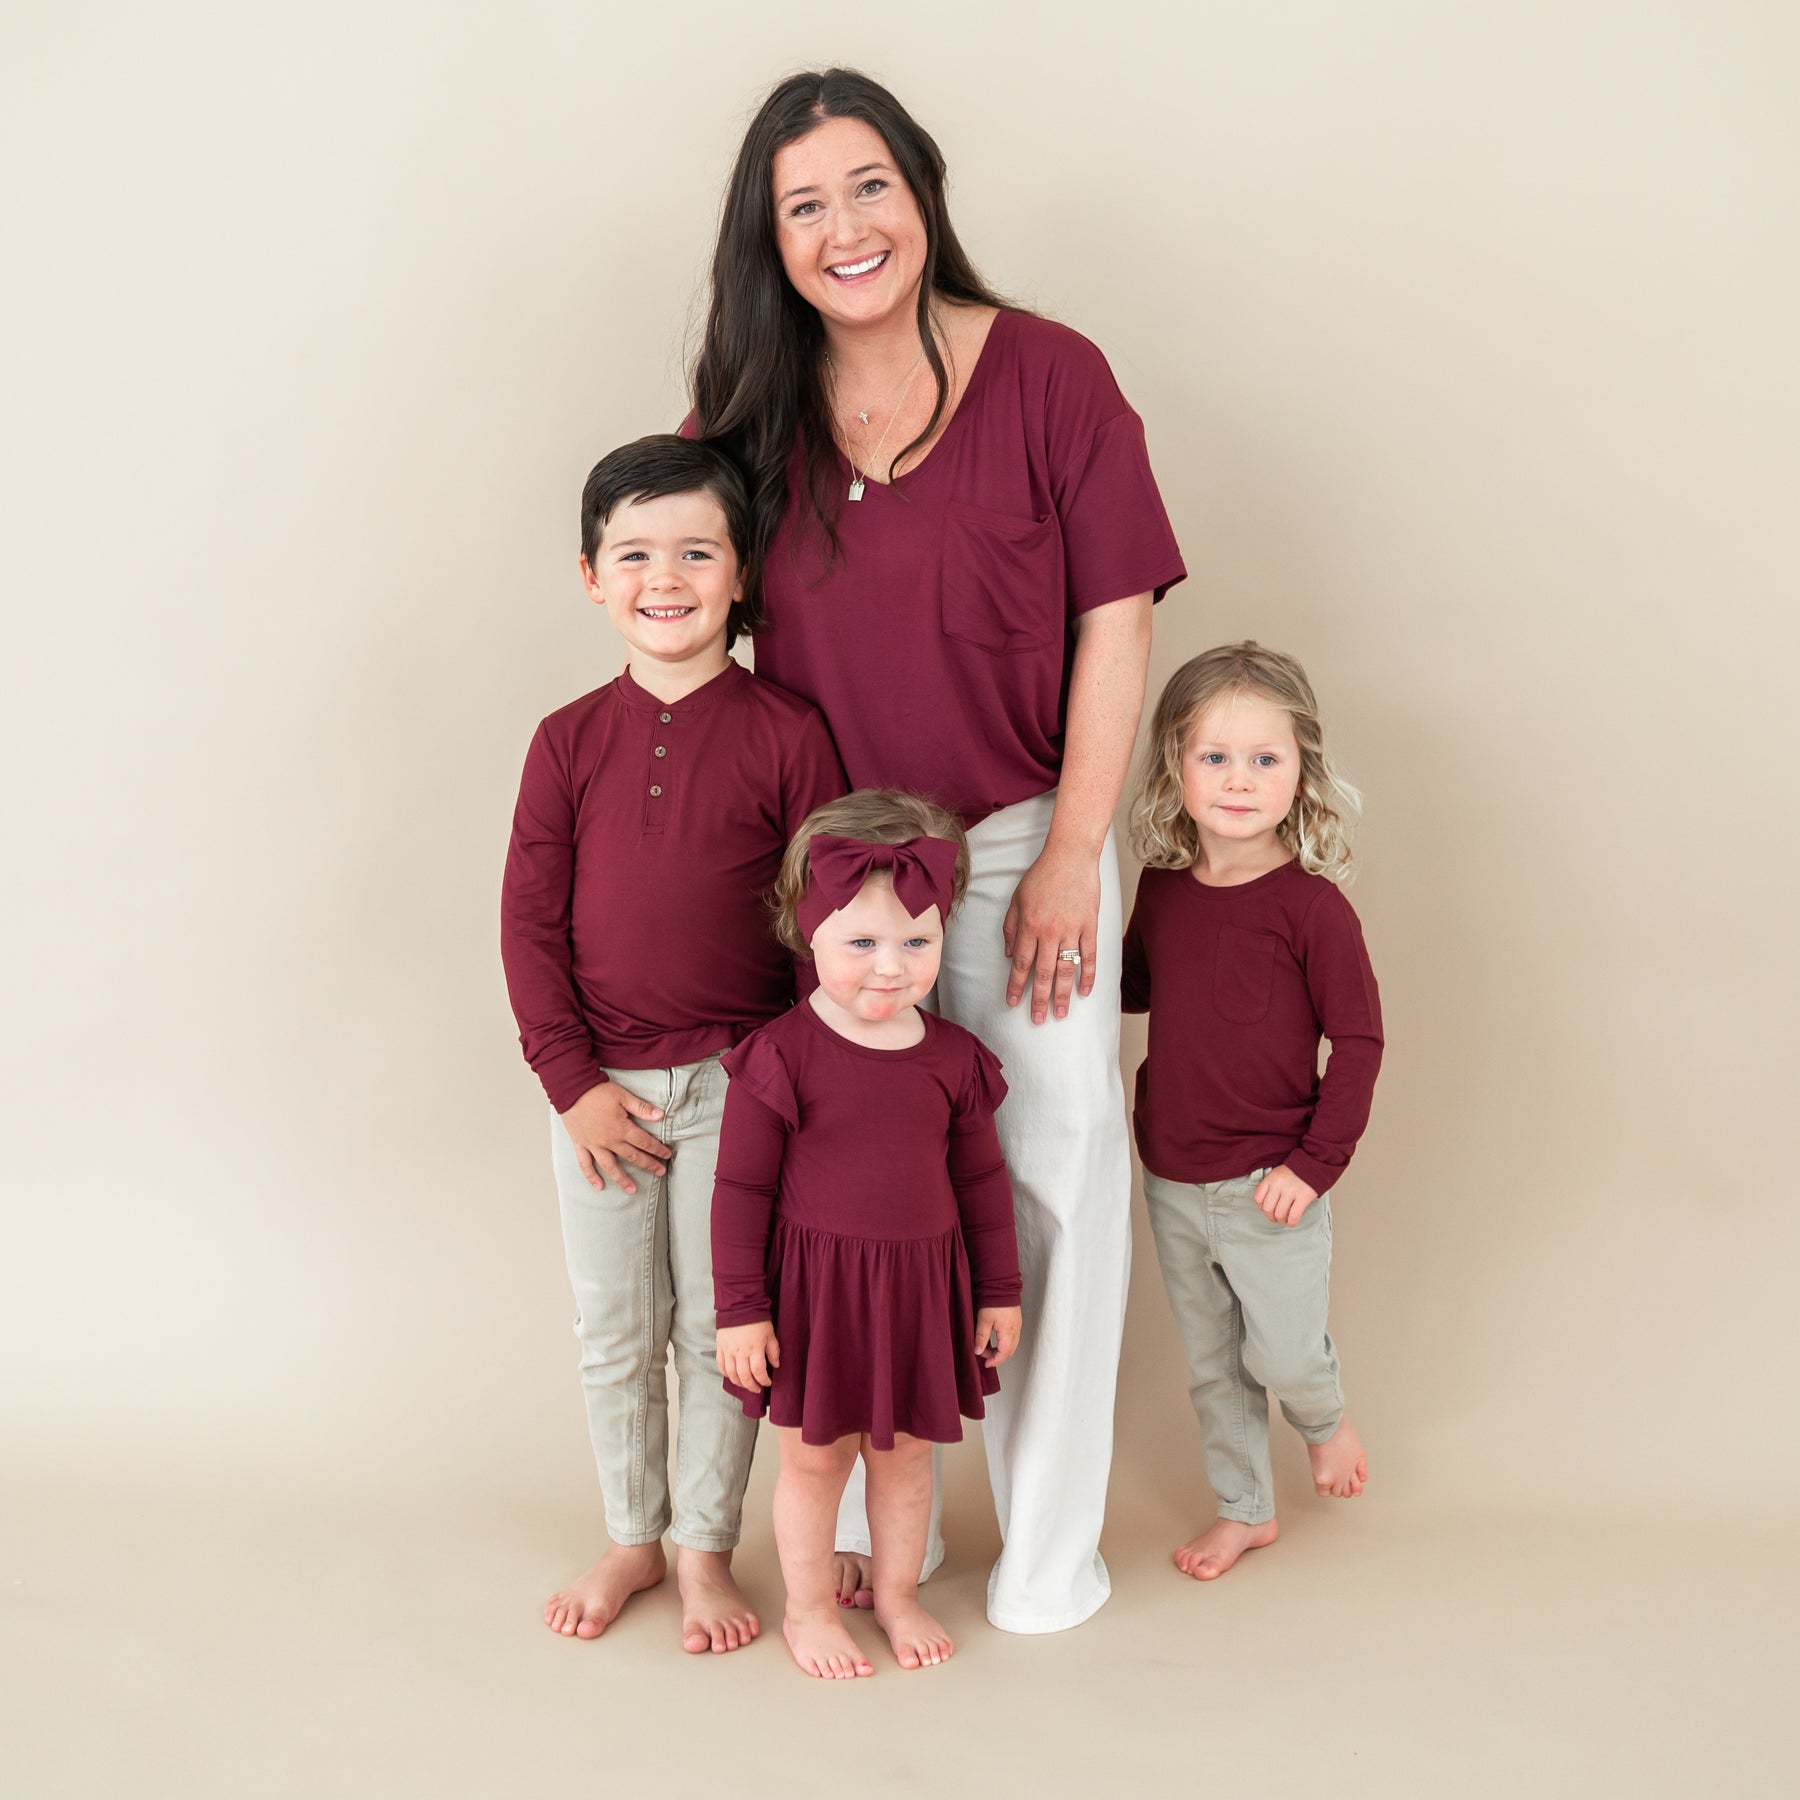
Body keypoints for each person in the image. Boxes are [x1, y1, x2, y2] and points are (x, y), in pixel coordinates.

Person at [689, 67, 1185, 1634]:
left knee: (1055, 1181)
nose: (847, 228)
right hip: (841, 885)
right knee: (845, 1196)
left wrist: (1071, 855)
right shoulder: (749, 422)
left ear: (924, 192)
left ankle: (1043, 1562)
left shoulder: (1051, 376)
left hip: (1033, 833)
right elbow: (688, 615)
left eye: (870, 186)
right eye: (806, 205)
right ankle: (845, 1525)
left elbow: (1121, 620)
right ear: (770, 245)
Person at [500, 434, 845, 1650]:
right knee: (616, 1328)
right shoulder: (566, 742)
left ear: (743, 575)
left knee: (720, 1329)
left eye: (697, 551)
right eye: (634, 552)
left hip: (742, 1085)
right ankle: (631, 1538)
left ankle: (705, 1552)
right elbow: (530, 929)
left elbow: (826, 932)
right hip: (600, 1095)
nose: (666, 576)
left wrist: (794, 1085)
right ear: (591, 576)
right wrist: (572, 1086)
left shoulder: (790, 733)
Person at [712, 791, 1023, 1678]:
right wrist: (742, 1312)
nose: (890, 968)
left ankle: (896, 1592)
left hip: (922, 1294)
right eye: (862, 943)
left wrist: (998, 1290)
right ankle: (809, 1609)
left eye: (916, 943)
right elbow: (739, 1193)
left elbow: (980, 1183)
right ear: (808, 933)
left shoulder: (955, 1058)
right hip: (817, 1299)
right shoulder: (779, 1055)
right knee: (814, 1464)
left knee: (909, 1461)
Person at [1121, 641, 1382, 1581]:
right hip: (1174, 1181)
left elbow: (1358, 1045)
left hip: (1273, 1184)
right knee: (1213, 1366)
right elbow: (1133, 990)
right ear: (1175, 768)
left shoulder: (1314, 910)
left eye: (1265, 759)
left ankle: (1323, 1420)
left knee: (1281, 1354)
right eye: (1215, 758)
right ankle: (1245, 1509)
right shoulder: (1158, 893)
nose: (1238, 781)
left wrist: (1312, 1167)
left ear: (1301, 769)